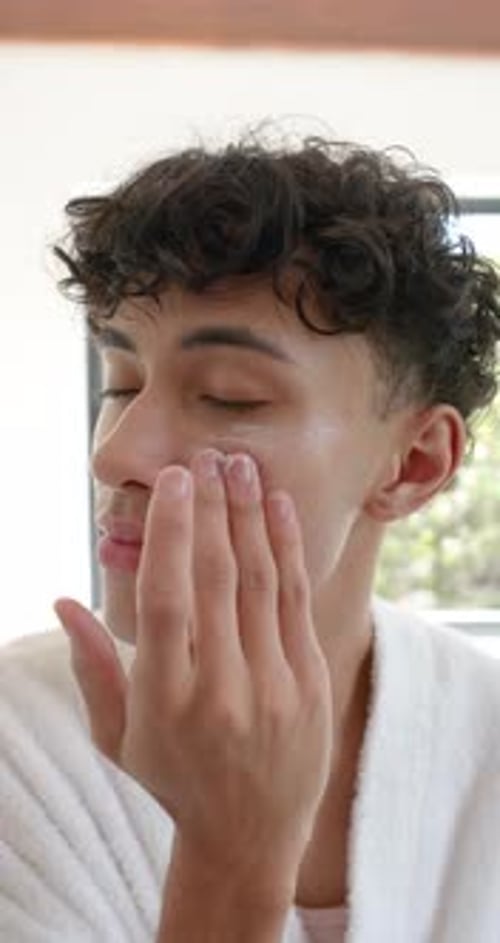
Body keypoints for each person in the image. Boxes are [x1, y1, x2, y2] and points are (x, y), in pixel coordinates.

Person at [1, 133, 500, 943]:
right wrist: (234, 856)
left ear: (412, 463)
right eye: (121, 383)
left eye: (229, 398)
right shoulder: (15, 746)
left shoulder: (485, 740)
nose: (115, 453)